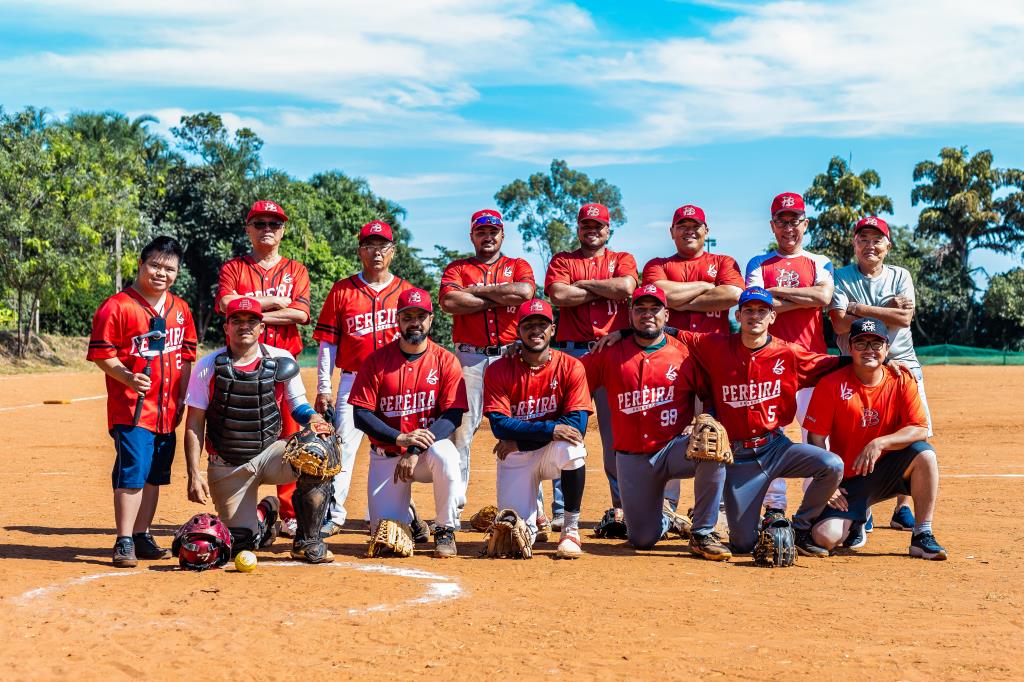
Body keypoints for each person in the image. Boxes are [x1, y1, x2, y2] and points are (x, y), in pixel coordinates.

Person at [681, 287, 847, 557]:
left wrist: (883, 362)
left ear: (772, 317)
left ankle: (801, 529)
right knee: (743, 545)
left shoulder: (789, 353)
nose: (755, 316)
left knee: (831, 465)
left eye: (762, 311)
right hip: (737, 457)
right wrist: (624, 334)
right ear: (738, 316)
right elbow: (671, 333)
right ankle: (741, 525)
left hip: (775, 448)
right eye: (748, 310)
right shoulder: (715, 346)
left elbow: (833, 363)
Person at [582, 285, 731, 560]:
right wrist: (527, 352)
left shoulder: (684, 353)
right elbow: (573, 378)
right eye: (640, 309)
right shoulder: (609, 351)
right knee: (642, 539)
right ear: (630, 315)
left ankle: (702, 533)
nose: (647, 314)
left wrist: (706, 418)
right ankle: (666, 519)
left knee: (712, 446)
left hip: (674, 450)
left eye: (654, 309)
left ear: (667, 315)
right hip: (631, 457)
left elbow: (709, 395)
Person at [182, 297, 334, 564]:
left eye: (251, 321)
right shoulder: (208, 366)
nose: (245, 326)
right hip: (228, 462)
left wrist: (314, 419)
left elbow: (297, 405)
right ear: (226, 327)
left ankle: (308, 541)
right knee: (241, 544)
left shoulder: (281, 359)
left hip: (271, 453)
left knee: (318, 452)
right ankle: (266, 512)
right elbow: (195, 422)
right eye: (237, 321)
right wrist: (194, 473)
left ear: (261, 327)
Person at [88, 236, 198, 568]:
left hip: (167, 410)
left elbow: (187, 355)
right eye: (155, 265)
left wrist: (183, 397)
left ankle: (141, 534)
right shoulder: (117, 306)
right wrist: (127, 377)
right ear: (141, 264)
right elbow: (102, 354)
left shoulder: (181, 309)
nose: (161, 273)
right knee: (134, 470)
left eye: (170, 268)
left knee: (155, 474)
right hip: (132, 409)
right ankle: (123, 539)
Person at [805, 318, 946, 560]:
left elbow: (920, 429)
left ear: (887, 349)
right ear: (850, 348)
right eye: (861, 343)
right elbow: (815, 438)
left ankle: (922, 534)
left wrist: (880, 443)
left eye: (876, 344)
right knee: (824, 537)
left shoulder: (901, 379)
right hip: (850, 480)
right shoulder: (831, 384)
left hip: (890, 470)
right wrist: (827, 482)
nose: (868, 350)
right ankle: (857, 520)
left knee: (925, 454)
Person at [347, 289, 468, 558]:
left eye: (420, 316)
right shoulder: (376, 361)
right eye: (408, 316)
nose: (415, 322)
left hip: (426, 456)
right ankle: (411, 518)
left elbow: (453, 416)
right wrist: (399, 438)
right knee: (387, 540)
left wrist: (413, 449)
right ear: (398, 320)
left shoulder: (446, 360)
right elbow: (361, 415)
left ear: (431, 320)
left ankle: (445, 529)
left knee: (446, 454)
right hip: (388, 456)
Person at [216, 200, 312, 538]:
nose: (267, 229)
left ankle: (290, 512)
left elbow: (300, 314)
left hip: (283, 364)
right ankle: (248, 503)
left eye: (274, 223)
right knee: (241, 432)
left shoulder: (296, 270)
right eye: (259, 223)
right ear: (248, 229)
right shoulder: (234, 268)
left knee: (290, 434)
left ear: (283, 231)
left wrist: (249, 313)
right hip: (242, 363)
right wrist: (271, 303)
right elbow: (225, 304)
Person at [313, 220, 415, 535]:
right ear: (360, 251)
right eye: (369, 246)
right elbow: (327, 343)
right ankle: (334, 514)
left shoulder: (406, 292)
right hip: (354, 380)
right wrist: (324, 387)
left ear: (393, 251)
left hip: (396, 381)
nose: (376, 252)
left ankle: (393, 512)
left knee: (394, 447)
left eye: (382, 246)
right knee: (343, 446)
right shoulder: (342, 290)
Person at [642, 203, 743, 512]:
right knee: (668, 429)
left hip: (714, 358)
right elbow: (660, 294)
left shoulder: (723, 261)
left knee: (718, 431)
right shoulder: (657, 264)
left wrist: (678, 300)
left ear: (706, 231)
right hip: (669, 360)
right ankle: (667, 505)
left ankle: (716, 506)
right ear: (672, 232)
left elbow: (733, 295)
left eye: (695, 226)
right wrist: (704, 287)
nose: (689, 231)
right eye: (682, 226)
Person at [829, 215, 926, 531]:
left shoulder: (900, 275)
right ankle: (863, 503)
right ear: (854, 244)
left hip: (901, 362)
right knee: (856, 432)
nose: (870, 245)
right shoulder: (840, 276)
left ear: (888, 245)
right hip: (855, 364)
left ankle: (902, 508)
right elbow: (839, 324)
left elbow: (904, 318)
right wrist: (886, 309)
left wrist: (857, 308)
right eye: (863, 239)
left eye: (877, 240)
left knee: (911, 431)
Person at [544, 202, 637, 528]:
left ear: (608, 230)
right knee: (568, 432)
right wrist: (603, 287)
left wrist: (581, 285)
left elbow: (626, 287)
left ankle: (623, 507)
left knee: (617, 436)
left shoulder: (622, 258)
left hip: (613, 353)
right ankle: (562, 509)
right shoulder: (562, 260)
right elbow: (559, 296)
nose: (592, 230)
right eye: (587, 225)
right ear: (578, 228)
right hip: (573, 356)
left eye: (598, 226)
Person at [440, 209, 535, 519]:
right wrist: (501, 295)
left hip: (510, 355)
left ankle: (531, 510)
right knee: (461, 433)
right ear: (472, 236)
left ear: (502, 235)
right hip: (470, 357)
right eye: (481, 232)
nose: (488, 236)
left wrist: (474, 294)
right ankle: (454, 509)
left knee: (521, 429)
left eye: (493, 231)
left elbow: (524, 292)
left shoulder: (518, 265)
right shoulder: (457, 268)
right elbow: (449, 301)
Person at [745, 192, 835, 515]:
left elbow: (823, 297)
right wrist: (802, 298)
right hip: (770, 364)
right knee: (770, 437)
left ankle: (815, 506)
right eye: (781, 221)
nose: (788, 227)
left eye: (794, 220)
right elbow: (757, 305)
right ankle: (775, 506)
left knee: (816, 437)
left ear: (805, 224)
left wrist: (774, 294)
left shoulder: (819, 261)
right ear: (772, 226)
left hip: (811, 363)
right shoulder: (758, 263)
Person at [483, 299, 592, 559]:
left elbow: (577, 426)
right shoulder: (498, 369)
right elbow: (499, 426)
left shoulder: (571, 366)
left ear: (552, 329)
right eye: (528, 325)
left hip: (531, 448)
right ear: (518, 331)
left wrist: (521, 440)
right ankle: (537, 516)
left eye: (542, 324)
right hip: (517, 455)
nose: (536, 330)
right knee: (517, 539)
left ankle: (570, 529)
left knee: (572, 447)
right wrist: (552, 430)